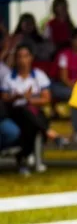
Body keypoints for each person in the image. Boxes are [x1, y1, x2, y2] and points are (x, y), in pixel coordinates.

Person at [1, 44, 54, 174]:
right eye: (19, 57)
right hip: (15, 113)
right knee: (24, 112)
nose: (22, 60)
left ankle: (23, 158)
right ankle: (47, 131)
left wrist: (30, 100)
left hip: (34, 112)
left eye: (25, 56)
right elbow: (4, 99)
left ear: (31, 58)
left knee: (30, 119)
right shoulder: (8, 77)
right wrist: (17, 96)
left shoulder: (39, 75)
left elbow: (47, 98)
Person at [50, 28, 77, 143]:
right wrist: (76, 88)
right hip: (58, 86)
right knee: (76, 97)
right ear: (72, 40)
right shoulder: (64, 55)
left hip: (76, 88)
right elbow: (64, 78)